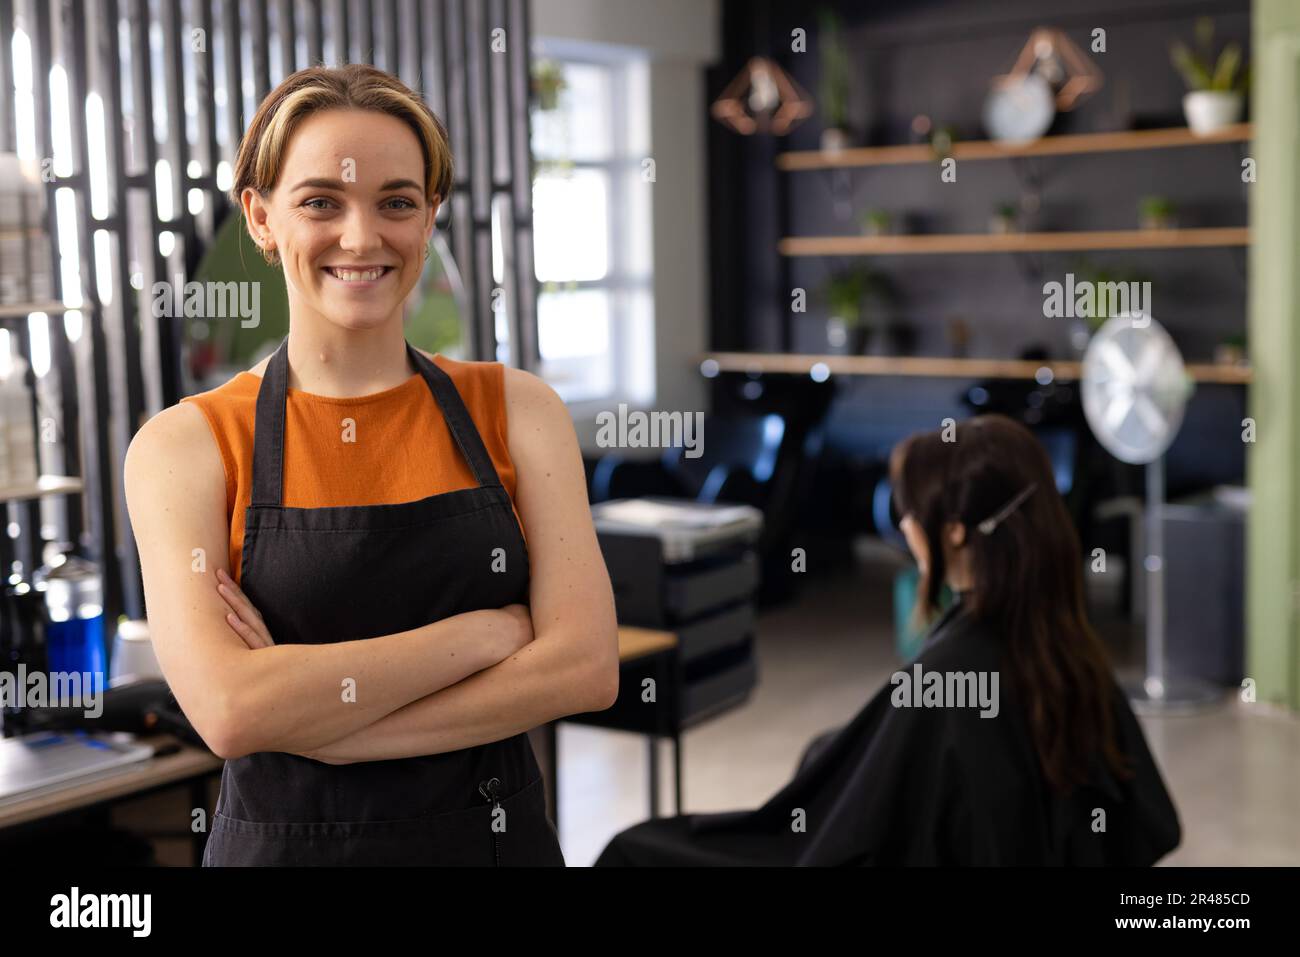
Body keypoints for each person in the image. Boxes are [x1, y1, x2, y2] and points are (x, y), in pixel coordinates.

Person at [124, 64, 619, 866]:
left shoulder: (519, 411)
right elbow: (229, 710)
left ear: (428, 220)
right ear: (259, 217)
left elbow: (587, 668)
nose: (363, 237)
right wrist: (486, 633)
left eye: (397, 201)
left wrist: (333, 727)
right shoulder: (186, 446)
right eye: (321, 201)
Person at [596, 414, 1180, 866]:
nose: (904, 526)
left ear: (952, 533)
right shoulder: (1064, 640)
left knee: (634, 850)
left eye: (912, 512)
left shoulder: (954, 672)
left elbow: (847, 842)